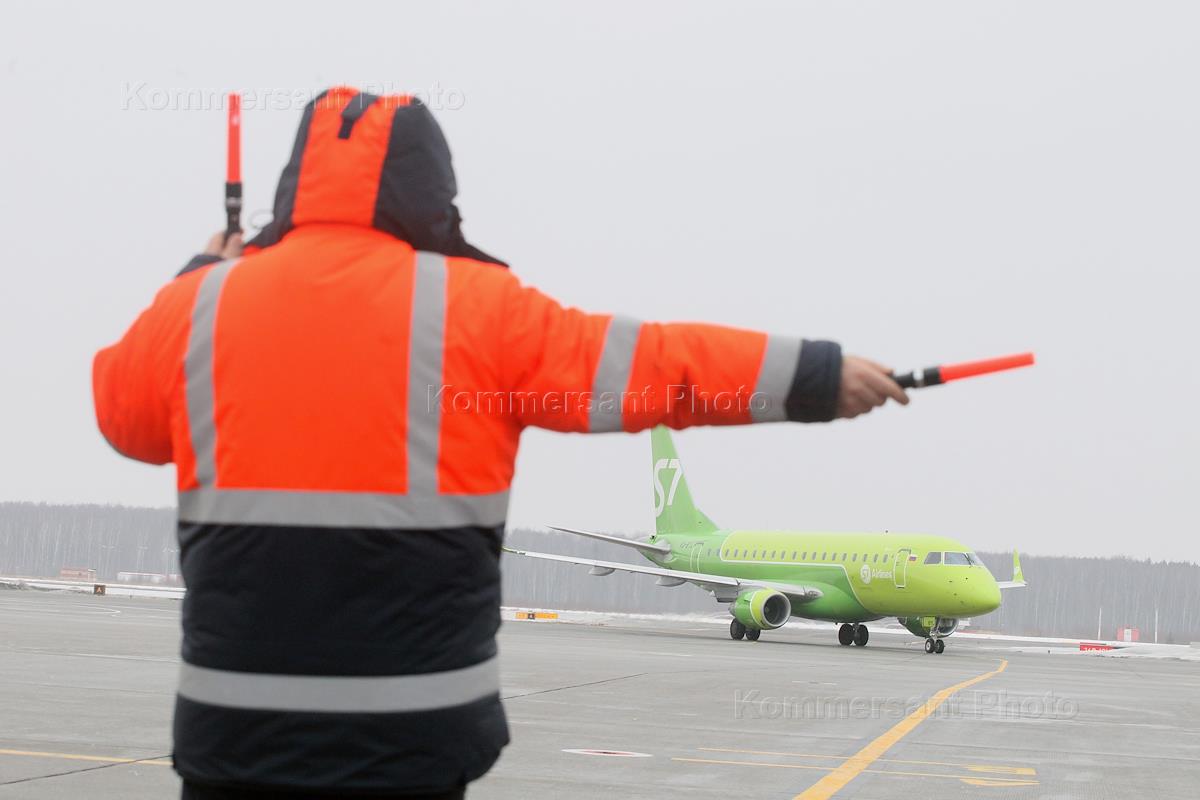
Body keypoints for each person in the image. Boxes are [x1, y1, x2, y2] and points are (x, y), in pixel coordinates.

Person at [92, 86, 908, 799]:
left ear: (290, 188)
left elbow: (124, 417)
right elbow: (659, 367)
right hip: (415, 735)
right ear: (430, 192)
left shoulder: (204, 307)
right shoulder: (479, 309)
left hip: (236, 729)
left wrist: (196, 273)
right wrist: (815, 376)